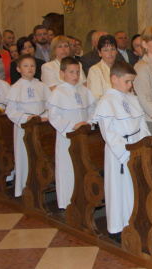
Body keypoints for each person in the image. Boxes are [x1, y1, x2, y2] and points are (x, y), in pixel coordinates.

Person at [93, 60, 150, 243]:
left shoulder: (132, 99)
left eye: (132, 82)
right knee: (117, 188)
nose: (130, 85)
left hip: (136, 145)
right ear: (114, 79)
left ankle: (133, 222)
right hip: (119, 151)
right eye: (127, 82)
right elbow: (108, 133)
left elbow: (142, 124)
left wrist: (145, 144)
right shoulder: (106, 102)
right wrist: (125, 154)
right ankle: (117, 227)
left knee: (133, 188)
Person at [47, 57, 96, 209]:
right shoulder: (58, 93)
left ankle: (83, 197)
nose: (75, 75)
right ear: (62, 73)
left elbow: (93, 111)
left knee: (82, 166)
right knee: (67, 167)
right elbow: (54, 117)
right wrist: (72, 126)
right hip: (66, 136)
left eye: (77, 72)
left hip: (82, 136)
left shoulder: (84, 90)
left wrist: (88, 122)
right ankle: (66, 201)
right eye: (71, 72)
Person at [5, 54, 50, 197]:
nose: (30, 68)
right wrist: (26, 118)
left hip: (41, 126)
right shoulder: (15, 88)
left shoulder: (42, 86)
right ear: (18, 69)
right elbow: (11, 110)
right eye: (26, 66)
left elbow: (51, 106)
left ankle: (43, 182)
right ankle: (24, 186)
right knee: (24, 156)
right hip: (24, 127)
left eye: (32, 65)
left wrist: (44, 117)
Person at [87, 35, 118, 99]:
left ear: (116, 51)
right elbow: (96, 97)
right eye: (106, 50)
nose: (110, 53)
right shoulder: (95, 70)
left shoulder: (120, 68)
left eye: (112, 49)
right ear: (99, 53)